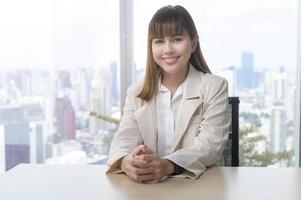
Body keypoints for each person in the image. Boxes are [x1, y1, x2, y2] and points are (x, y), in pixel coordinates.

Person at [107, 5, 230, 183]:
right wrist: (126, 162)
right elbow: (122, 142)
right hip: (150, 190)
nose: (168, 49)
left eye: (177, 39)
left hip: (200, 188)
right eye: (158, 41)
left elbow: (210, 147)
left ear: (194, 43)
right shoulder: (136, 92)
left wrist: (167, 165)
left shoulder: (215, 87)